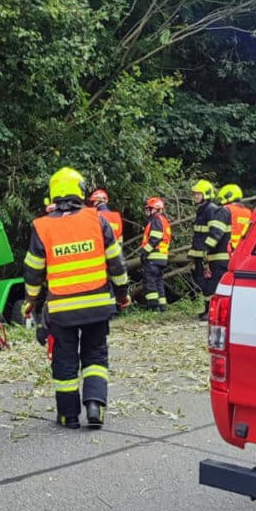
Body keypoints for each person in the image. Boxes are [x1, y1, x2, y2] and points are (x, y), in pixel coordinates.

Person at [21, 167, 130, 430]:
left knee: (65, 359)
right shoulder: (97, 220)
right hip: (96, 306)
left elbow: (34, 272)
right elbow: (116, 263)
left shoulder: (42, 226)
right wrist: (122, 294)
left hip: (61, 310)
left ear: (53, 194)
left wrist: (31, 302)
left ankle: (68, 416)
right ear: (80, 190)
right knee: (95, 355)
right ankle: (95, 407)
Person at [188, 180, 231, 321]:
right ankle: (207, 309)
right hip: (201, 254)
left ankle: (210, 311)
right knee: (201, 281)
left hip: (209, 255)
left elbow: (215, 233)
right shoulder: (202, 210)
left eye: (198, 194)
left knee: (209, 283)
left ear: (206, 194)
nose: (195, 196)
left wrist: (206, 251)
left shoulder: (211, 210)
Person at [139, 197, 171, 312]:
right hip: (161, 257)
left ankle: (154, 307)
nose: (147, 211)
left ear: (156, 209)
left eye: (149, 209)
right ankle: (162, 307)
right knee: (158, 282)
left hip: (153, 257)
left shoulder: (156, 220)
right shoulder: (164, 221)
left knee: (150, 281)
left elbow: (155, 238)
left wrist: (144, 252)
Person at [88, 188, 123, 257]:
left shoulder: (94, 215)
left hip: (100, 254)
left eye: (93, 202)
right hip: (115, 254)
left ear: (96, 201)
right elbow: (120, 238)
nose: (92, 204)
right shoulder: (116, 216)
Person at [217, 183, 252, 253]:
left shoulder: (226, 209)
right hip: (244, 249)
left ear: (228, 196)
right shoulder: (248, 212)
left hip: (228, 249)